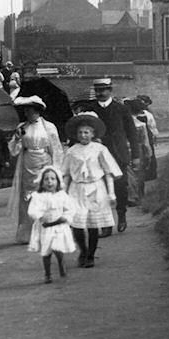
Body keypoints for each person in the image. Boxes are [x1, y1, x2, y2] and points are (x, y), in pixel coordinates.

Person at [76, 77, 139, 232]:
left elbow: (132, 132)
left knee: (120, 187)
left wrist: (135, 155)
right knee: (100, 189)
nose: (100, 93)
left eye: (103, 90)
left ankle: (121, 214)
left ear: (110, 90)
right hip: (96, 155)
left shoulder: (121, 109)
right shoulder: (90, 110)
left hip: (118, 153)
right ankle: (105, 224)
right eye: (97, 90)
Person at [60, 112, 121, 268]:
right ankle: (83, 250)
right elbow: (66, 174)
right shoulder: (72, 151)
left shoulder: (99, 149)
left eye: (86, 132)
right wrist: (62, 193)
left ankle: (91, 255)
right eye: (80, 132)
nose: (83, 135)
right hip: (77, 188)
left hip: (95, 188)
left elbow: (108, 172)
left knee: (93, 223)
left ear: (93, 134)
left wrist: (111, 193)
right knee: (77, 222)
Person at [6, 95, 66, 243]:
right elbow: (14, 150)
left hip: (45, 162)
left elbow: (56, 148)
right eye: (26, 111)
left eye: (30, 110)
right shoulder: (22, 128)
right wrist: (18, 138)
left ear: (37, 111)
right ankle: (29, 232)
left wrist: (56, 168)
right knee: (28, 197)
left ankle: (48, 228)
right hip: (28, 164)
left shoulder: (49, 127)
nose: (27, 113)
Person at [26, 165, 79, 282]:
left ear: (58, 181)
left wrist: (66, 217)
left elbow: (70, 208)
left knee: (58, 247)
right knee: (47, 251)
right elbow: (32, 210)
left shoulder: (62, 195)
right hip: (46, 227)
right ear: (41, 181)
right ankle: (47, 274)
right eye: (46, 179)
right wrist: (40, 216)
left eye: (52, 179)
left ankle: (61, 265)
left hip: (59, 225)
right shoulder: (38, 196)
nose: (50, 182)